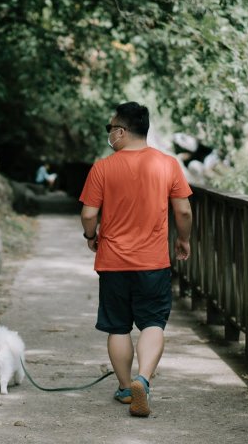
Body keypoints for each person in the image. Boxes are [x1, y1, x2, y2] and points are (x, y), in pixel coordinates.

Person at [79, 102, 193, 417]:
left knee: (118, 326)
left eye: (110, 128)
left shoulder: (103, 167)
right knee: (153, 323)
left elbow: (89, 214)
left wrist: (92, 236)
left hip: (113, 261)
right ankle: (144, 378)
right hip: (153, 262)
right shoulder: (168, 164)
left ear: (121, 131)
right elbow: (183, 210)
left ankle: (127, 386)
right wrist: (183, 239)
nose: (109, 134)